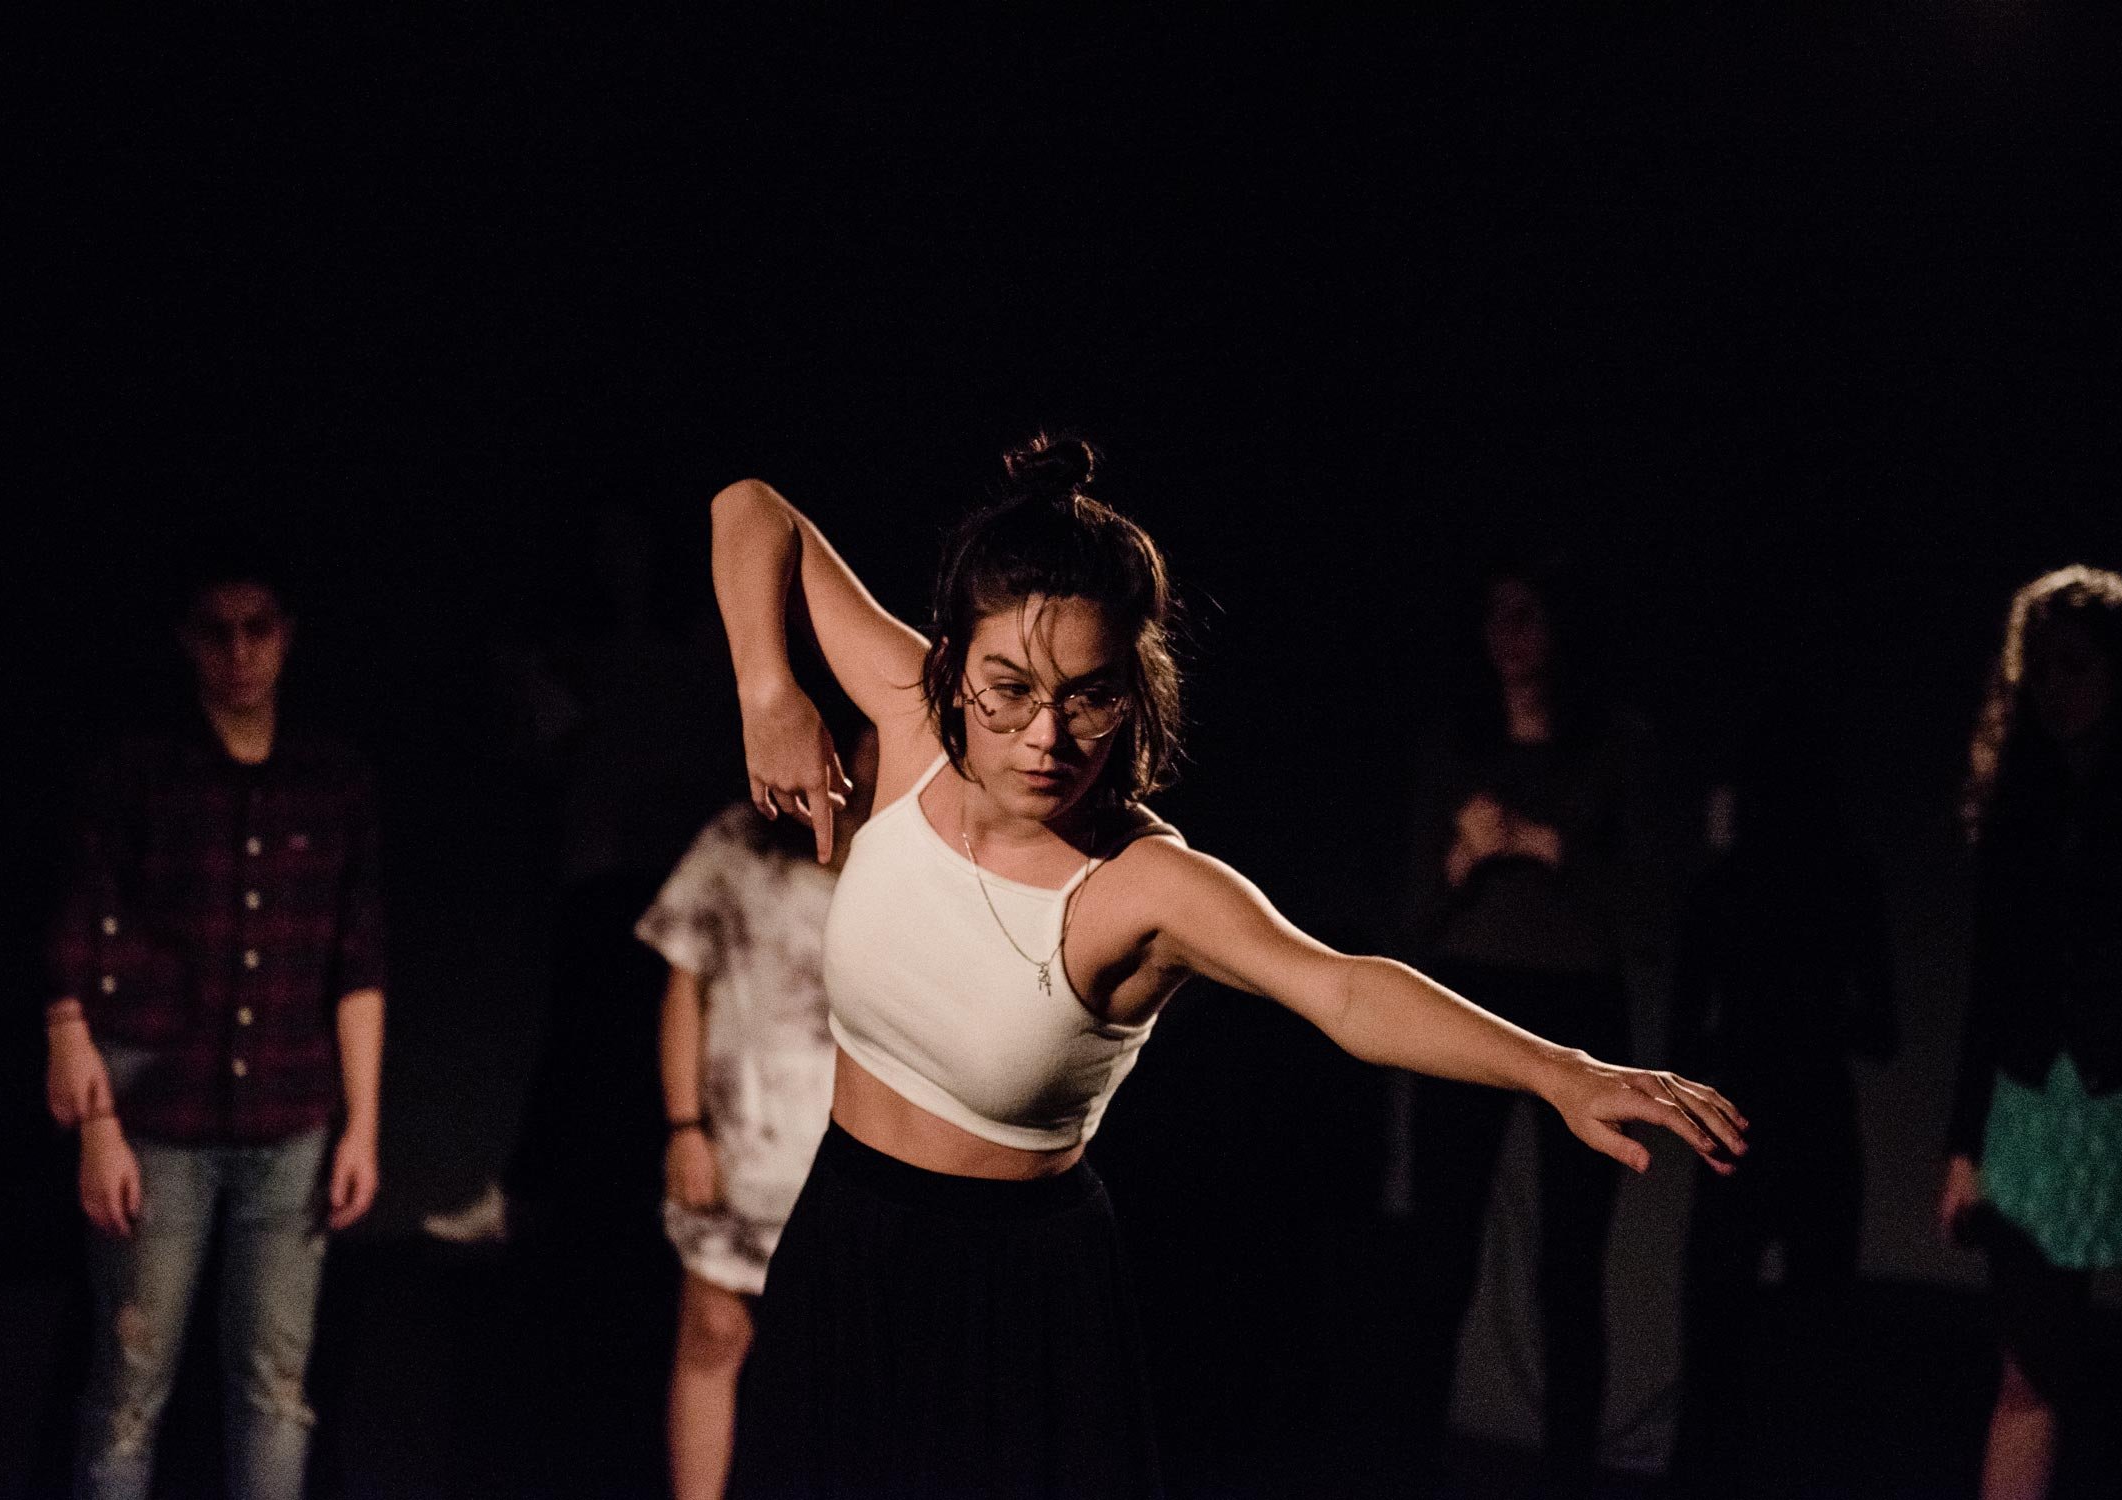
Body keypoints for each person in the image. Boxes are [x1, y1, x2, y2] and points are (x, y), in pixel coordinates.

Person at [708, 436, 1747, 1499]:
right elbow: (753, 508)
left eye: (1091, 696)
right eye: (1008, 688)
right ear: (950, 665)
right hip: (840, 1237)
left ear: (1135, 693)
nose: (1046, 736)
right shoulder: (911, 726)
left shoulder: (1144, 886)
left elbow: (1342, 988)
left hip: (1013, 1298)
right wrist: (769, 690)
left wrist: (1559, 1070)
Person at [42, 558, 386, 1500]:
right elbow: (80, 939)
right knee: (128, 1389)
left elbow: (357, 964)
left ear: (288, 634)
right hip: (158, 1120)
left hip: (291, 1118)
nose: (239, 653)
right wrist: (97, 1121)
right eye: (217, 630)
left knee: (275, 1390)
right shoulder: (139, 773)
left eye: (258, 628)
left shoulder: (329, 780)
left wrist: (363, 1124)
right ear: (187, 639)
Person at [1938, 566, 2122, 1500]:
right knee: (2027, 1375)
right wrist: (1964, 1148)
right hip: (2028, 1110)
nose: (2051, 690)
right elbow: (1992, 989)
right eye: (2037, 670)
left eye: (2072, 667)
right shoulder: (2018, 808)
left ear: (2121, 672)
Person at [1394, 558, 1657, 1483]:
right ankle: (1410, 1465)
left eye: (1528, 615)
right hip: (1466, 1001)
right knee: (1440, 1250)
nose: (1510, 635)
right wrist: (1467, 857)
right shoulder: (1453, 747)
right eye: (1495, 616)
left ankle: (1568, 1471)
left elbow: (1644, 915)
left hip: (1578, 1007)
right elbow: (1414, 919)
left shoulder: (1613, 747)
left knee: (1568, 1266)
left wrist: (1552, 847)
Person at [643, 727, 878, 1500]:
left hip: (856, 1156)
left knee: (848, 1363)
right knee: (713, 1335)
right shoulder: (740, 842)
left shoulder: (914, 865)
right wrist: (685, 1128)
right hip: (743, 1146)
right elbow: (684, 983)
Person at [1669, 703, 1897, 1494]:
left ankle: (1705, 1477)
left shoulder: (1722, 884)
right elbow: (1882, 1027)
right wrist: (1812, 1010)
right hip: (1813, 1116)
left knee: (1718, 1330)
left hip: (1739, 1112)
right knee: (1812, 1332)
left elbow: (1679, 1033)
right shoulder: (1846, 878)